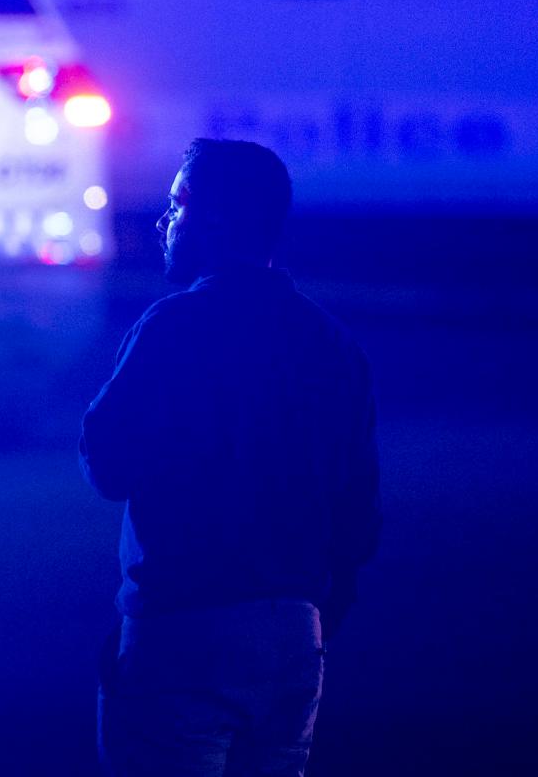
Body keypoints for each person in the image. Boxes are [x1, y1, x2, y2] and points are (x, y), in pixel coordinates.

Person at [80, 139, 381, 777]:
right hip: (297, 634)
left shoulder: (173, 326)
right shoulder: (333, 343)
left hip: (182, 629)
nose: (165, 223)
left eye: (175, 204)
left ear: (207, 217)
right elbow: (359, 507)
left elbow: (108, 466)